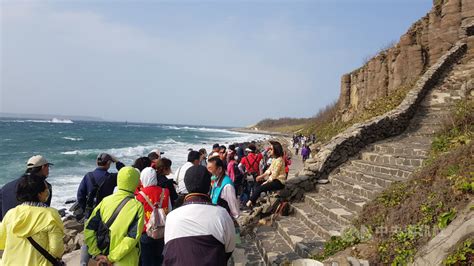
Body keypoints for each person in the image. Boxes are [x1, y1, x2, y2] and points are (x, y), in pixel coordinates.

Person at [163, 165, 235, 265]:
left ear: (186, 186)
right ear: (209, 186)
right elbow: (230, 248)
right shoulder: (221, 213)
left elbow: (170, 249)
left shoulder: (171, 217)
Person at [84, 166, 145, 266]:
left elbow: (89, 229)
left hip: (102, 260)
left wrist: (96, 253)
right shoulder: (137, 206)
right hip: (126, 261)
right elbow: (132, 238)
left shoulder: (105, 201)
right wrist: (111, 258)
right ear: (135, 182)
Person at [0, 175, 64, 265]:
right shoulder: (50, 214)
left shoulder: (11, 213)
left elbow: (2, 243)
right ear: (39, 194)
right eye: (46, 189)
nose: (47, 191)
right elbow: (57, 250)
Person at [77, 153, 125, 265]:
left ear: (96, 162)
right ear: (108, 163)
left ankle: (83, 263)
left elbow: (80, 195)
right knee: (106, 238)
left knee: (88, 240)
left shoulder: (88, 176)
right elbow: (125, 172)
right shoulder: (112, 177)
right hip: (106, 214)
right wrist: (117, 161)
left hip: (90, 213)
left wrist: (86, 210)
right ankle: (104, 261)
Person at [136, 167, 171, 266]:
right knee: (160, 260)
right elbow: (170, 210)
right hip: (162, 232)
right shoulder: (166, 192)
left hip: (145, 233)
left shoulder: (139, 195)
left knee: (147, 261)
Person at [0, 155, 53, 221]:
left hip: (7, 228)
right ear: (43, 167)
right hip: (32, 228)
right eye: (48, 166)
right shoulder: (45, 188)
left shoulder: (5, 188)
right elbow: (45, 213)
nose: (48, 170)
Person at [246, 141, 286, 207]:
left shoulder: (279, 160)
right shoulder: (275, 159)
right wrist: (261, 177)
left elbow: (274, 175)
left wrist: (266, 182)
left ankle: (250, 202)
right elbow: (269, 170)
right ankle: (254, 201)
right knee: (257, 183)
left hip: (279, 182)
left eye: (271, 149)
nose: (269, 150)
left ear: (276, 150)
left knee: (260, 188)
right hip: (274, 180)